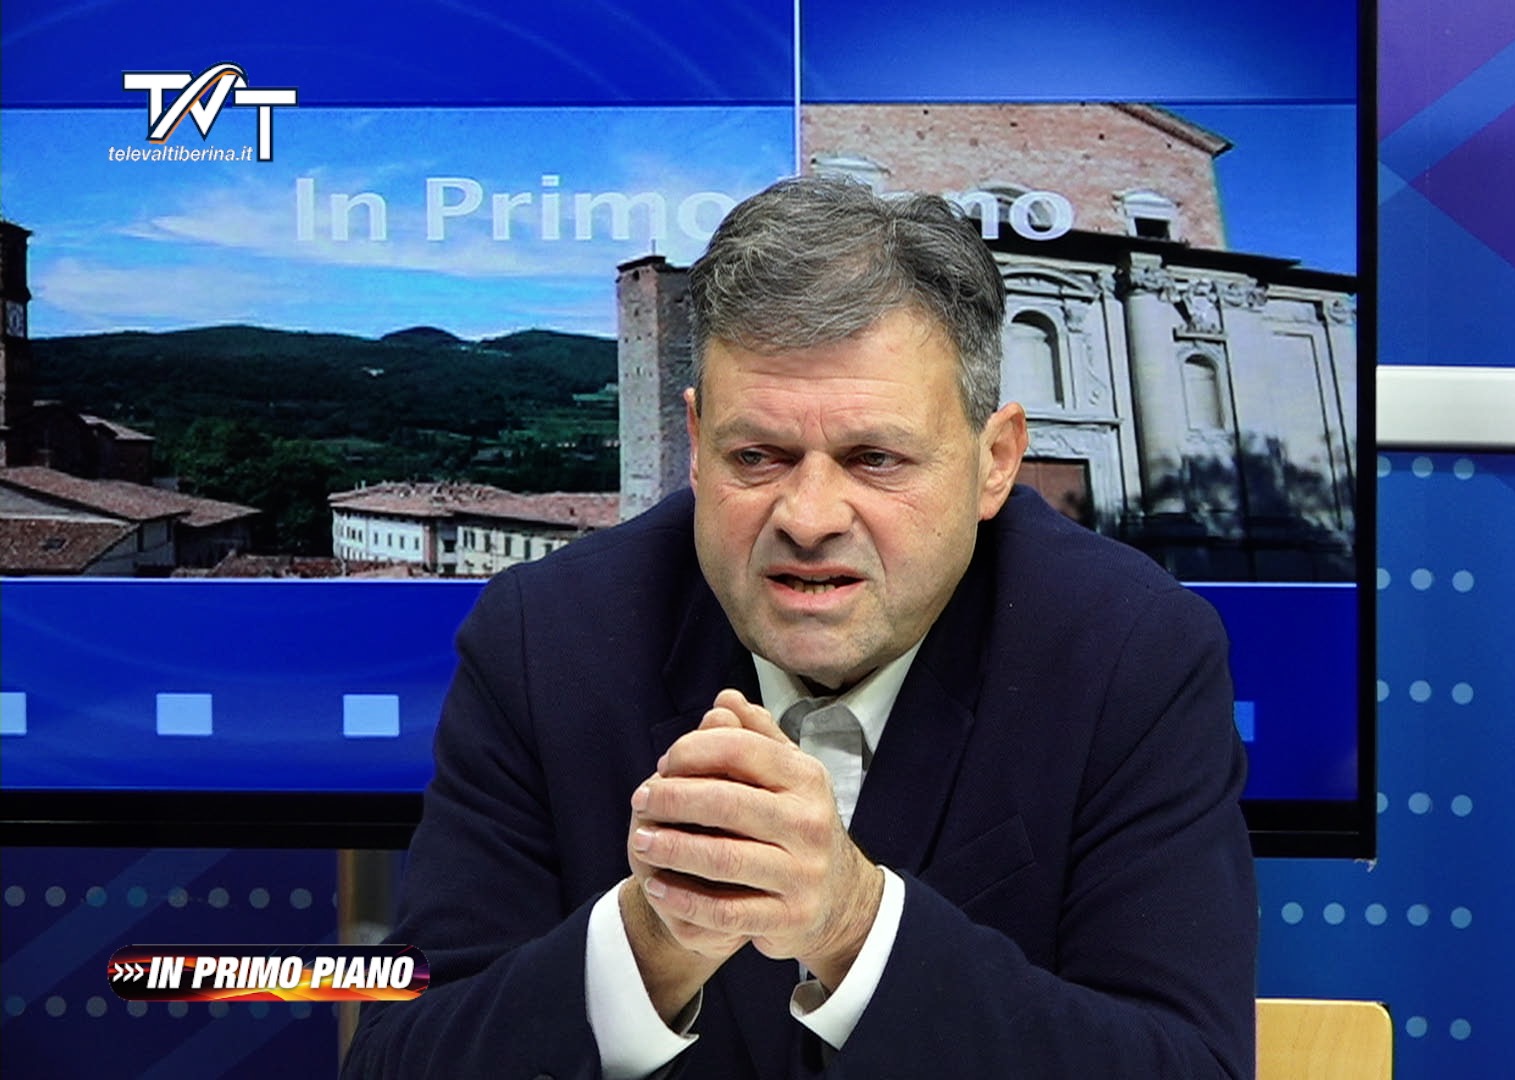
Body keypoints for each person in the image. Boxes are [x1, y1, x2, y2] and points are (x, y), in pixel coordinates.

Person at [343, 176, 1256, 1079]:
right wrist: (651, 942)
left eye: (875, 458)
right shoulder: (547, 640)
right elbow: (397, 1064)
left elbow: (1191, 1069)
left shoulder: (1131, 654)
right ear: (695, 445)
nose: (809, 517)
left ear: (995, 461)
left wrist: (855, 926)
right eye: (757, 456)